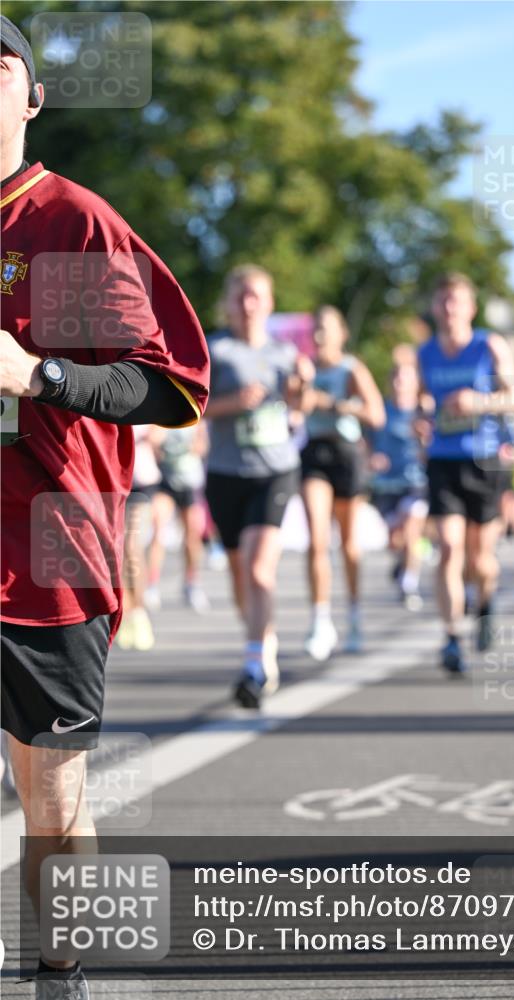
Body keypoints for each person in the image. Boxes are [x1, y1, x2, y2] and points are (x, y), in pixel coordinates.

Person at [0, 17, 210, 998]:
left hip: (47, 553)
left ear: (33, 97)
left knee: (50, 797)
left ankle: (60, 971)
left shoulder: (65, 222)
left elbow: (159, 385)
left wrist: (35, 372)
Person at [205, 265, 313, 708]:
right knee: (238, 576)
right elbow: (190, 409)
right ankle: (261, 641)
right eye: (240, 296)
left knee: (257, 569)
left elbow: (300, 411)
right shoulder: (214, 349)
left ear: (268, 303)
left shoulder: (286, 353)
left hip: (275, 470)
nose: (248, 304)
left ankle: (253, 665)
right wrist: (233, 403)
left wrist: (301, 390)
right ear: (229, 303)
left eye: (256, 296)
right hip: (226, 471)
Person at [416, 272, 514, 674]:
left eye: (456, 301)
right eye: (442, 301)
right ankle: (450, 638)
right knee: (448, 547)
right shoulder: (425, 352)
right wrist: (422, 419)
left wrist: (477, 402)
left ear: (470, 308)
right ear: (433, 307)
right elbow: (423, 402)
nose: (448, 309)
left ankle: (486, 602)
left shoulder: (488, 345)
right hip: (443, 458)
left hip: (486, 461)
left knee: (480, 558)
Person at [300, 306, 385, 660]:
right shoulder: (304, 366)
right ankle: (321, 619)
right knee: (317, 538)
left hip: (347, 453)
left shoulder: (351, 369)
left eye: (327, 328)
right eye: (316, 327)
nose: (320, 334)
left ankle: (353, 614)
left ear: (341, 333)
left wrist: (335, 405)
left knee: (348, 543)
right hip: (314, 453)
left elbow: (376, 414)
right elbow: (294, 405)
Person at [370, 345, 428, 610]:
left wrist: (425, 439)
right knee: (396, 540)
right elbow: (366, 441)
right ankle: (401, 563)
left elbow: (434, 447)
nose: (400, 382)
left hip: (416, 482)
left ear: (416, 382)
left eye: (405, 378)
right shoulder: (381, 410)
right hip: (386, 484)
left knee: (411, 529)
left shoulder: (424, 412)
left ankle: (409, 584)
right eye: (395, 377)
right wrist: (372, 456)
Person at [145, 422, 211, 614]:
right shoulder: (161, 417)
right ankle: (152, 583)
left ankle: (191, 582)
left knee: (192, 535)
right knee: (158, 531)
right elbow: (152, 440)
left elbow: (202, 446)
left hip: (189, 482)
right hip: (165, 482)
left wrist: (193, 446)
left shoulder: (195, 419)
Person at [116, 424, 164, 651]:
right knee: (115, 550)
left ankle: (139, 611)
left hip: (141, 481)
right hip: (112, 480)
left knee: (130, 546)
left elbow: (160, 434)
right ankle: (125, 610)